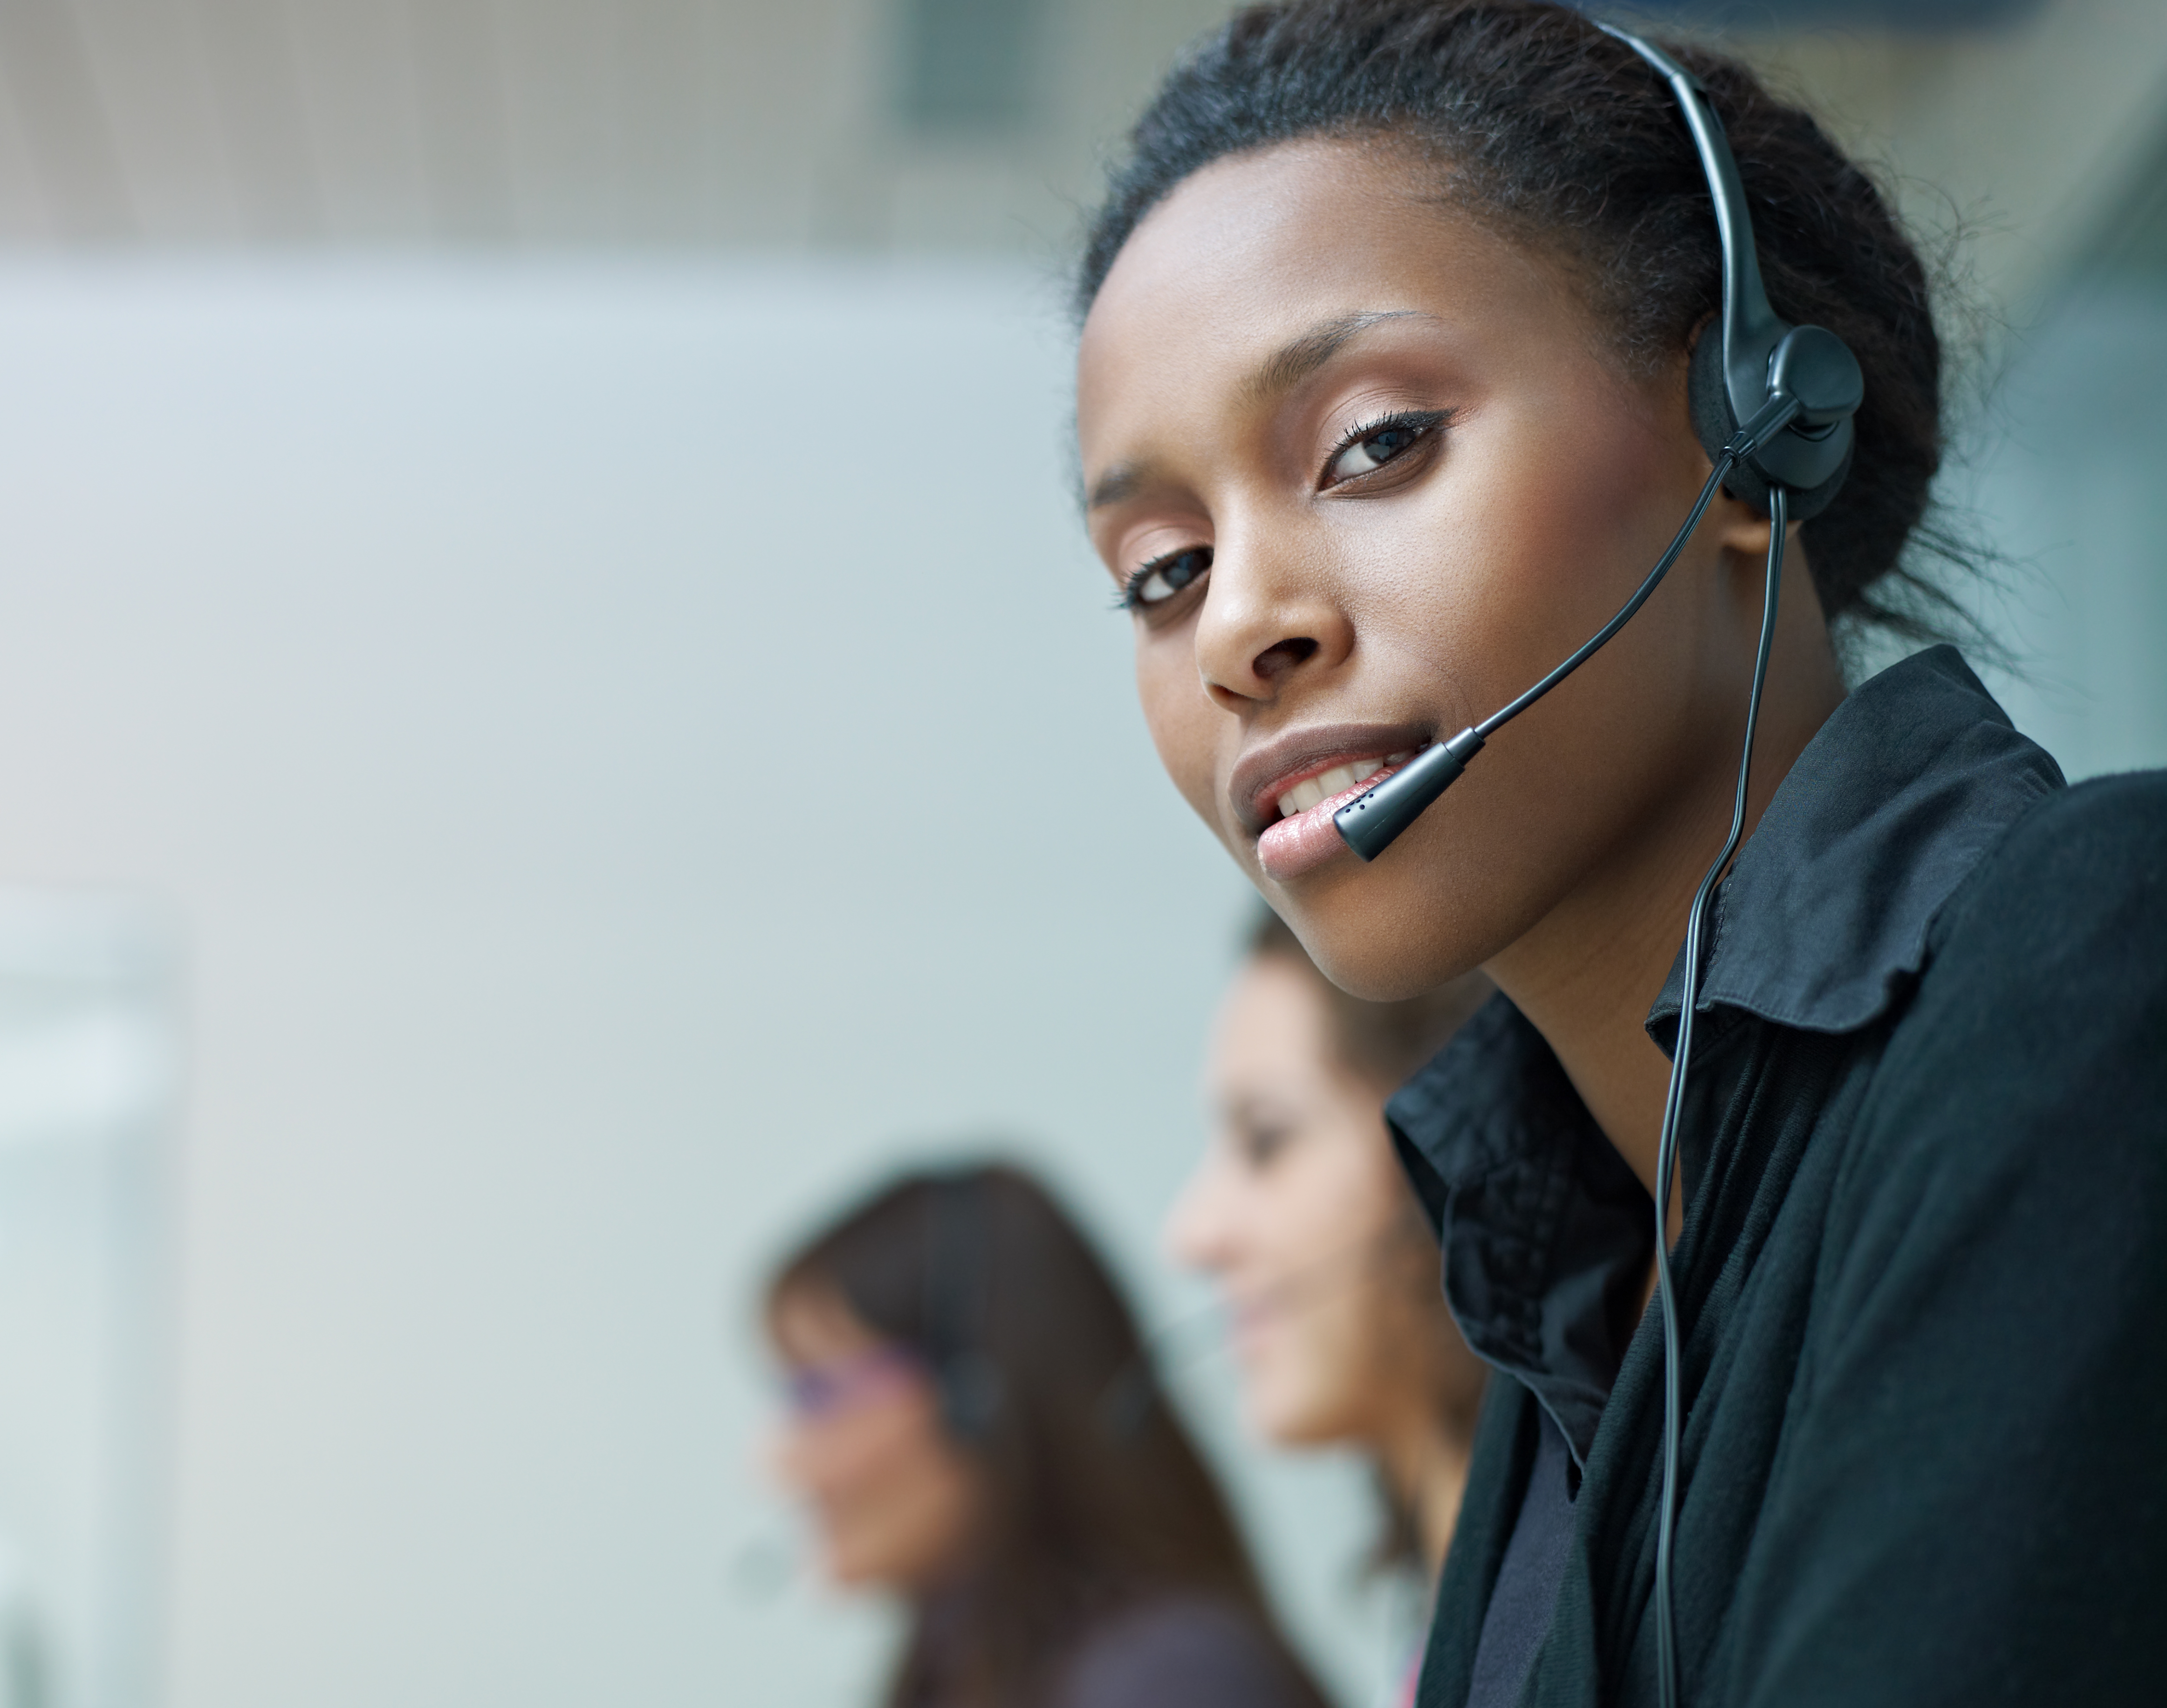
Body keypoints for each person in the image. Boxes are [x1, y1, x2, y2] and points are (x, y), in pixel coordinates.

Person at [1070, 5, 2167, 1708]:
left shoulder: (2094, 955)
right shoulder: (1567, 1281)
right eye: (1162, 567)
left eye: (1374, 445)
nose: (1240, 630)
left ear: (1751, 429)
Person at [763, 1161, 1328, 1708]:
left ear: (974, 1402)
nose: (779, 1461)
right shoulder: (960, 1672)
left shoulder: (1163, 1678)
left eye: (818, 1396)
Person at [1170, 911, 1489, 1702]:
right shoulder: (1459, 1624)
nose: (1192, 1234)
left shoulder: (1590, 1613)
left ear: (1452, 1150)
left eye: (1267, 1140)